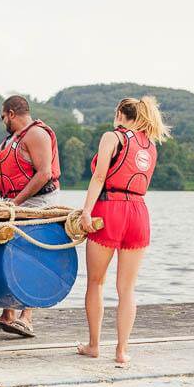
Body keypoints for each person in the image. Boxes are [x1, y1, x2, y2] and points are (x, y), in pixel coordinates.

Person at [76, 96, 169, 364]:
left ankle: (94, 345)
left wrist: (86, 210)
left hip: (110, 208)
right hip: (139, 212)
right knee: (127, 288)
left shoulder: (112, 137)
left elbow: (100, 176)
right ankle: (121, 351)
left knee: (96, 281)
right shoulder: (150, 145)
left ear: (119, 113)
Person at [0, 95, 61, 338]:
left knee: (29, 254)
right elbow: (1, 181)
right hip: (14, 203)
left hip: (38, 202)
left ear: (11, 113)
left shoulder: (36, 134)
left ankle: (27, 317)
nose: (3, 121)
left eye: (3, 116)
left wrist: (15, 203)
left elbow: (44, 173)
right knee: (6, 251)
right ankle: (7, 315)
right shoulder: (10, 141)